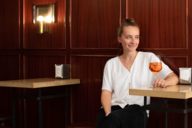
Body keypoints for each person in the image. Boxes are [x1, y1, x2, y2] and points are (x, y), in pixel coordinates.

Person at [96, 18, 179, 128]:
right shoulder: (111, 64)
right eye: (128, 37)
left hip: (137, 110)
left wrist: (165, 82)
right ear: (119, 38)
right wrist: (108, 113)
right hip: (113, 108)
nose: (133, 41)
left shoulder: (149, 59)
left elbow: (174, 77)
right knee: (108, 119)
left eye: (136, 37)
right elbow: (106, 92)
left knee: (121, 118)